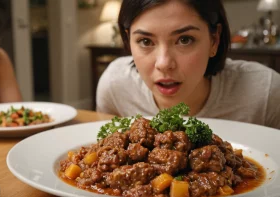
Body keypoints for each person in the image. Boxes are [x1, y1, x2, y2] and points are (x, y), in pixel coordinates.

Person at [96, 0, 280, 129]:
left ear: (214, 40)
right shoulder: (115, 85)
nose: (164, 64)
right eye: (145, 41)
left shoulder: (265, 92)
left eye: (184, 39)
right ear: (129, 41)